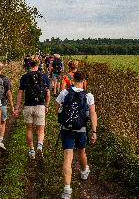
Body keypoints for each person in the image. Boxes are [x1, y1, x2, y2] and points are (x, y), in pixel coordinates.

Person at [55, 71, 97, 199]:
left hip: (66, 129)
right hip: (81, 129)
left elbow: (57, 109)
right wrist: (94, 131)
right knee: (82, 152)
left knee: (68, 157)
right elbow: (93, 114)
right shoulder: (88, 95)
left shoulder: (64, 93)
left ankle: (67, 190)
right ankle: (84, 171)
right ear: (84, 81)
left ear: (73, 79)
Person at [14, 59, 51, 159]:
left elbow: (20, 93)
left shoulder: (25, 76)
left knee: (29, 129)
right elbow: (48, 93)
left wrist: (17, 108)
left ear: (29, 64)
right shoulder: (44, 76)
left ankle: (31, 150)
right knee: (40, 129)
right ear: (38, 64)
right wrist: (46, 106)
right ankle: (39, 146)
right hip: (40, 106)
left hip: (28, 106)